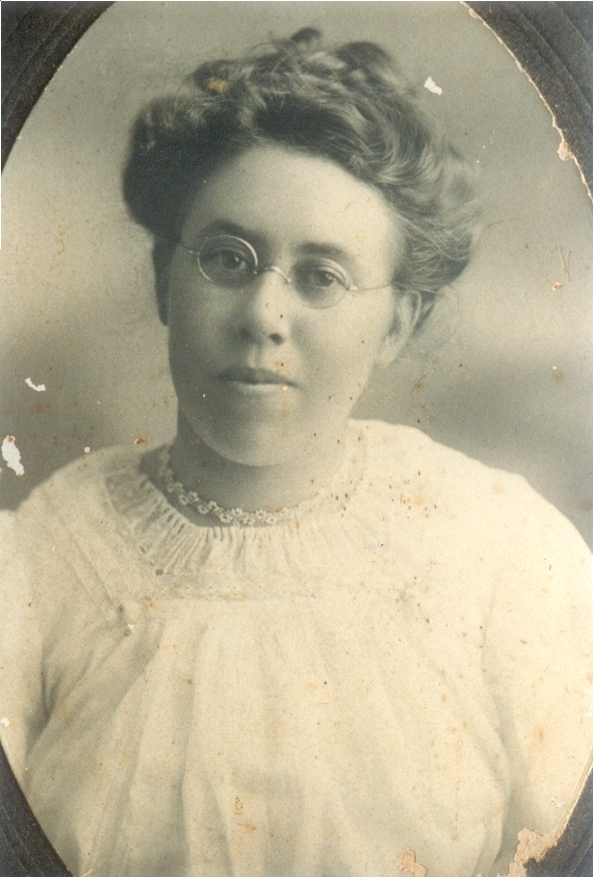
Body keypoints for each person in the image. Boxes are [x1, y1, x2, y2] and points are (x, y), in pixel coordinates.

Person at [1, 28, 592, 877]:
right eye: (227, 260)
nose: (263, 316)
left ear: (397, 324)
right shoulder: (41, 560)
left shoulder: (503, 556)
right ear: (167, 278)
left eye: (321, 277)